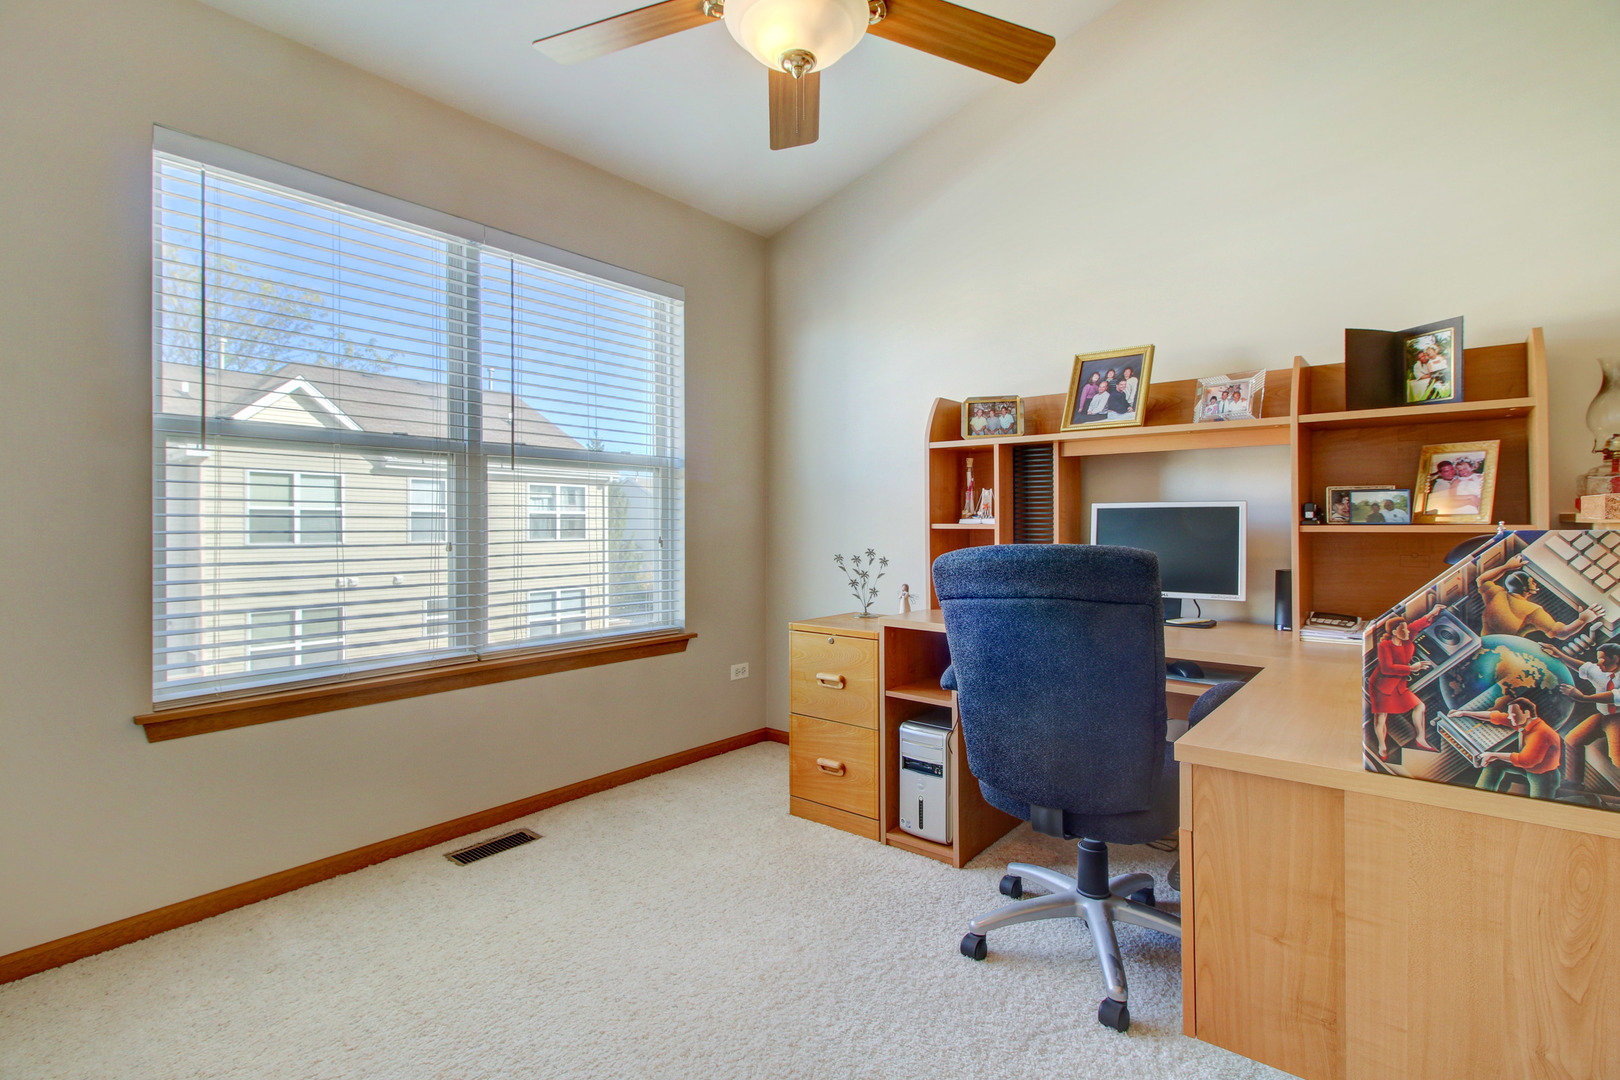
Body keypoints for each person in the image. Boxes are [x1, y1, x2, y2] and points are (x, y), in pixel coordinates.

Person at [1540, 640, 1620, 787]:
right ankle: (1574, 782)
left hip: (1617, 718)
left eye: (1602, 660)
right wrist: (1560, 654)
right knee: (1573, 740)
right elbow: (1584, 667)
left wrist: (1584, 698)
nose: (1598, 665)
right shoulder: (1602, 671)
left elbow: (1613, 696)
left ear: (1615, 659)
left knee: (1617, 758)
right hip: (1603, 717)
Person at [1451, 697, 1562, 799]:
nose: (1510, 718)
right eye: (1510, 714)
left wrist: (1493, 754)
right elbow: (1496, 716)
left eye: (1513, 715)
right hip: (1528, 767)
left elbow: (1526, 760)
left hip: (1544, 776)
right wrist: (1464, 713)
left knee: (1538, 808)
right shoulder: (1523, 721)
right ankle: (1480, 797)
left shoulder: (1541, 733)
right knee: (1494, 763)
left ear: (1527, 713)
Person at [1476, 556, 1603, 640]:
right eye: (1532, 582)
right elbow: (1561, 633)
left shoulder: (1496, 593)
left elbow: (1481, 579)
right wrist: (1583, 620)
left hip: (1484, 640)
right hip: (1505, 651)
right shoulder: (1532, 611)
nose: (1535, 584)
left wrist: (1507, 567)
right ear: (1526, 589)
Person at [1369, 612, 1440, 759]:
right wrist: (1411, 668)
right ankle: (1382, 746)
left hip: (1399, 685)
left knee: (1419, 706)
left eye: (1406, 629)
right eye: (1404, 629)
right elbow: (1387, 668)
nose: (1408, 631)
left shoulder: (1407, 642)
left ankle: (1420, 739)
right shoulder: (1385, 646)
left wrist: (1431, 613)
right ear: (1395, 632)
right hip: (1382, 686)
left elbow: (1414, 627)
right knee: (1381, 717)